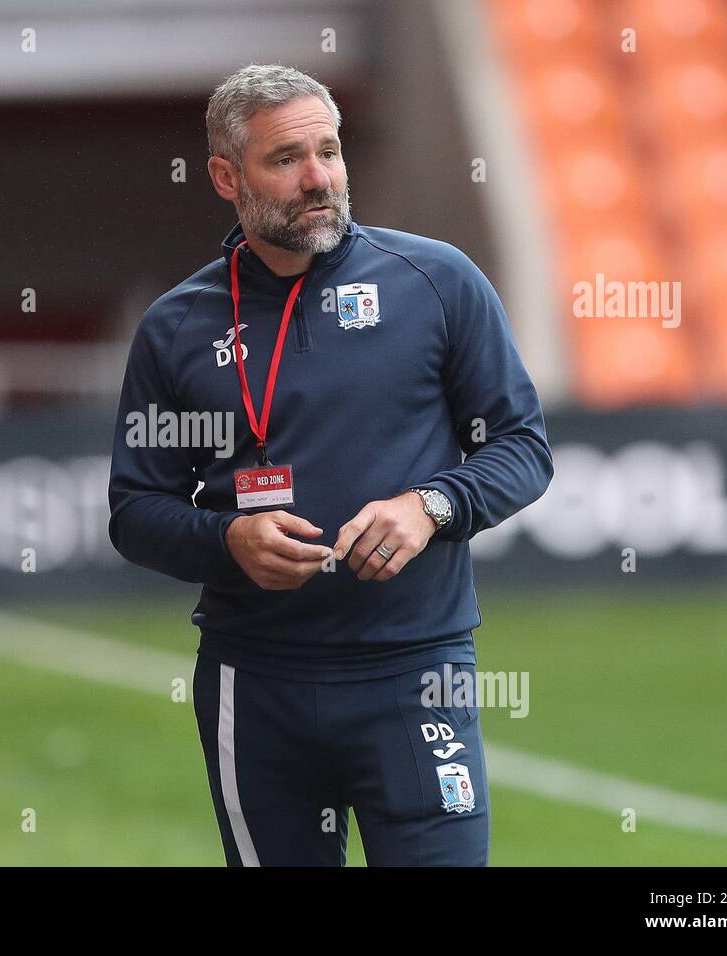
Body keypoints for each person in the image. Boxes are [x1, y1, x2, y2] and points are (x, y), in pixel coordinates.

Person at [108, 64, 553, 866]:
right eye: (286, 159)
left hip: (419, 669)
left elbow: (522, 447)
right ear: (225, 176)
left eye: (329, 151)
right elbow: (136, 510)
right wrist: (228, 541)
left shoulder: (438, 282)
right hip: (257, 682)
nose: (318, 178)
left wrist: (432, 506)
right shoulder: (175, 328)